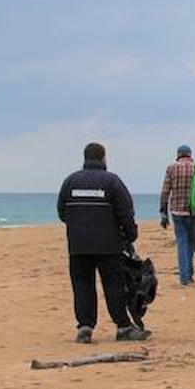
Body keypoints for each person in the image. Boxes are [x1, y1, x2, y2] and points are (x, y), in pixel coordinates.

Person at [56, 142, 147, 343]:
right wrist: (130, 236)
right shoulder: (112, 182)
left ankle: (85, 327)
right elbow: (125, 212)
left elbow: (62, 211)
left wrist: (78, 225)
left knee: (82, 285)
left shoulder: (70, 181)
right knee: (113, 286)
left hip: (78, 245)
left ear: (85, 158)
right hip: (108, 246)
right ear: (103, 158)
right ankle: (123, 326)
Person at [159, 144, 195, 285]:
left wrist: (163, 212)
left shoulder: (171, 168)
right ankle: (190, 276)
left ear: (178, 154)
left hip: (177, 211)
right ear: (190, 154)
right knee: (191, 242)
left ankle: (184, 277)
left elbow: (165, 191)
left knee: (182, 241)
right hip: (194, 211)